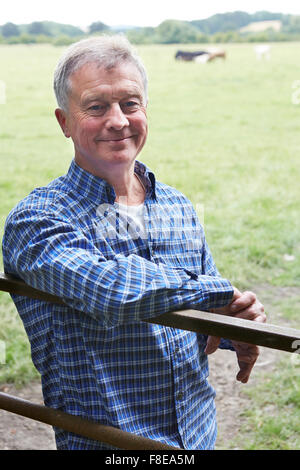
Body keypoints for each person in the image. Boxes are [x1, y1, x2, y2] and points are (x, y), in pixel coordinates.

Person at [2, 35, 265, 450]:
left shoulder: (176, 205)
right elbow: (112, 292)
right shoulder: (36, 220)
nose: (119, 120)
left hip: (198, 436)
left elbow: (203, 308)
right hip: (109, 446)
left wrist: (238, 325)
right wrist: (217, 291)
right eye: (96, 106)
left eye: (130, 103)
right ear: (63, 122)